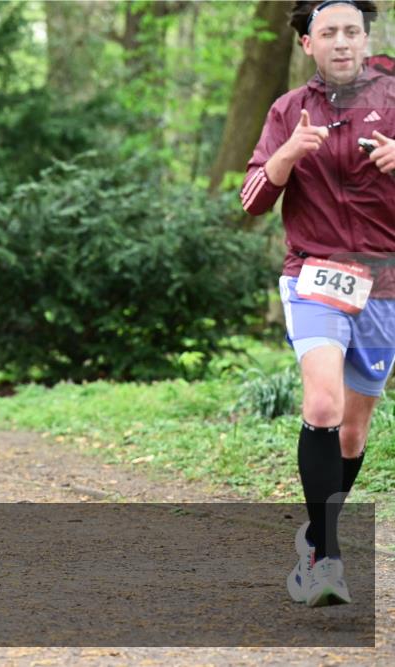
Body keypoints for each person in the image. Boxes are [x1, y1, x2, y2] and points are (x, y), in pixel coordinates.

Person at [241, 0, 394, 607]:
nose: (341, 42)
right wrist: (287, 156)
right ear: (307, 43)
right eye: (327, 32)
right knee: (324, 404)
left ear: (365, 39)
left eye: (351, 31)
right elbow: (252, 200)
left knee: (354, 434)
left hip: (385, 284)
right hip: (314, 275)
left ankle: (317, 534)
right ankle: (325, 559)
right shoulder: (287, 111)